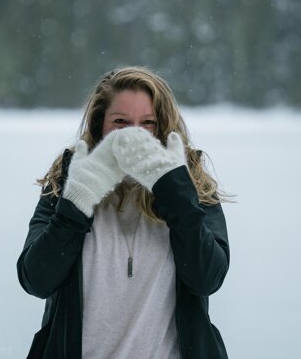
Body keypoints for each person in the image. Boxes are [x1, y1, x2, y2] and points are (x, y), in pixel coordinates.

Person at [17, 66, 230, 359]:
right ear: (99, 125)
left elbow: (207, 278)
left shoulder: (191, 185)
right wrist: (77, 203)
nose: (133, 134)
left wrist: (176, 194)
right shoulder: (67, 181)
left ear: (164, 127)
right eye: (120, 122)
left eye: (148, 123)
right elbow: (36, 280)